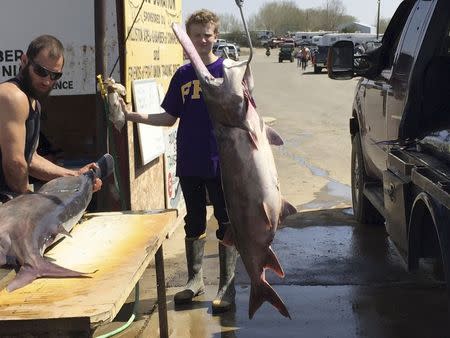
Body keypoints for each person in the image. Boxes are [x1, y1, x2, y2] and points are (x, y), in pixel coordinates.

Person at [120, 10, 237, 313]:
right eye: (195, 35)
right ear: (187, 40)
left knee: (226, 221)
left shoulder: (228, 70)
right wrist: (130, 115)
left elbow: (244, 113)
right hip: (190, 160)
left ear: (216, 36)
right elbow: (168, 117)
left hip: (221, 161)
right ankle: (195, 280)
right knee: (194, 221)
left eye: (207, 34)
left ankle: (227, 286)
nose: (202, 40)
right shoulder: (183, 75)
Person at [0, 35, 102, 203]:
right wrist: (28, 203)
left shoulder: (33, 102)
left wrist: (74, 175)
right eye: (41, 71)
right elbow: (15, 162)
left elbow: (29, 159)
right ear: (24, 61)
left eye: (54, 75)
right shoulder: (12, 96)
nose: (47, 81)